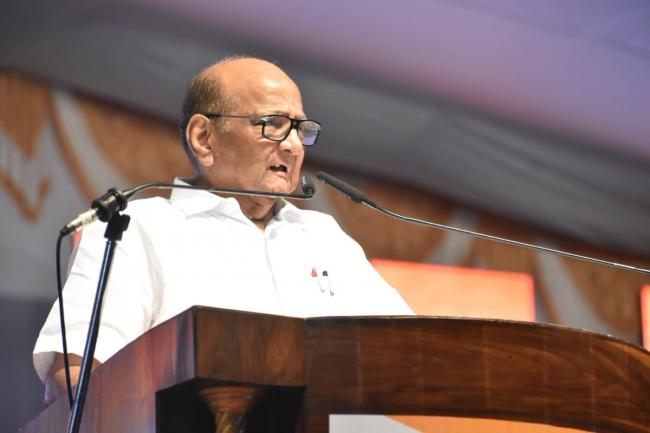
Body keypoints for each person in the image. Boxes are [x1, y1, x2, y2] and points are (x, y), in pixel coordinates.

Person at [33, 56, 413, 406]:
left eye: (301, 130)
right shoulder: (136, 228)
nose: (295, 146)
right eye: (274, 125)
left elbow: (413, 354)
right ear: (204, 138)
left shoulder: (325, 237)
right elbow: (74, 378)